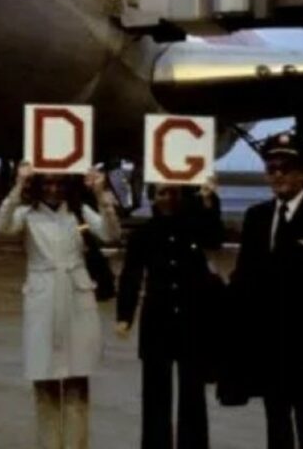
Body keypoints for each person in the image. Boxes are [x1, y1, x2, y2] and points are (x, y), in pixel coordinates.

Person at [229, 132, 303, 449]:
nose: (279, 175)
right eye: (272, 169)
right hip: (268, 336)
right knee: (275, 413)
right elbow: (244, 278)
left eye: (286, 167)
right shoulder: (257, 218)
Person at [0, 165, 121, 449]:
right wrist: (18, 187)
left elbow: (110, 234)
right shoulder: (27, 215)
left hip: (77, 300)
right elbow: (2, 226)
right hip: (42, 301)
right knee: (45, 386)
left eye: (59, 183)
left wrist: (101, 196)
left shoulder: (77, 214)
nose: (53, 189)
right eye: (48, 183)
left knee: (77, 385)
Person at [116, 180, 224, 449]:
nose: (168, 199)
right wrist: (125, 315)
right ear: (153, 198)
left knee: (193, 395)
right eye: (162, 193)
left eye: (174, 193)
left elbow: (215, 237)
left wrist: (210, 201)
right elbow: (131, 275)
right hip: (157, 322)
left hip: (192, 321)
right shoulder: (143, 234)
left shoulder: (194, 228)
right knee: (155, 396)